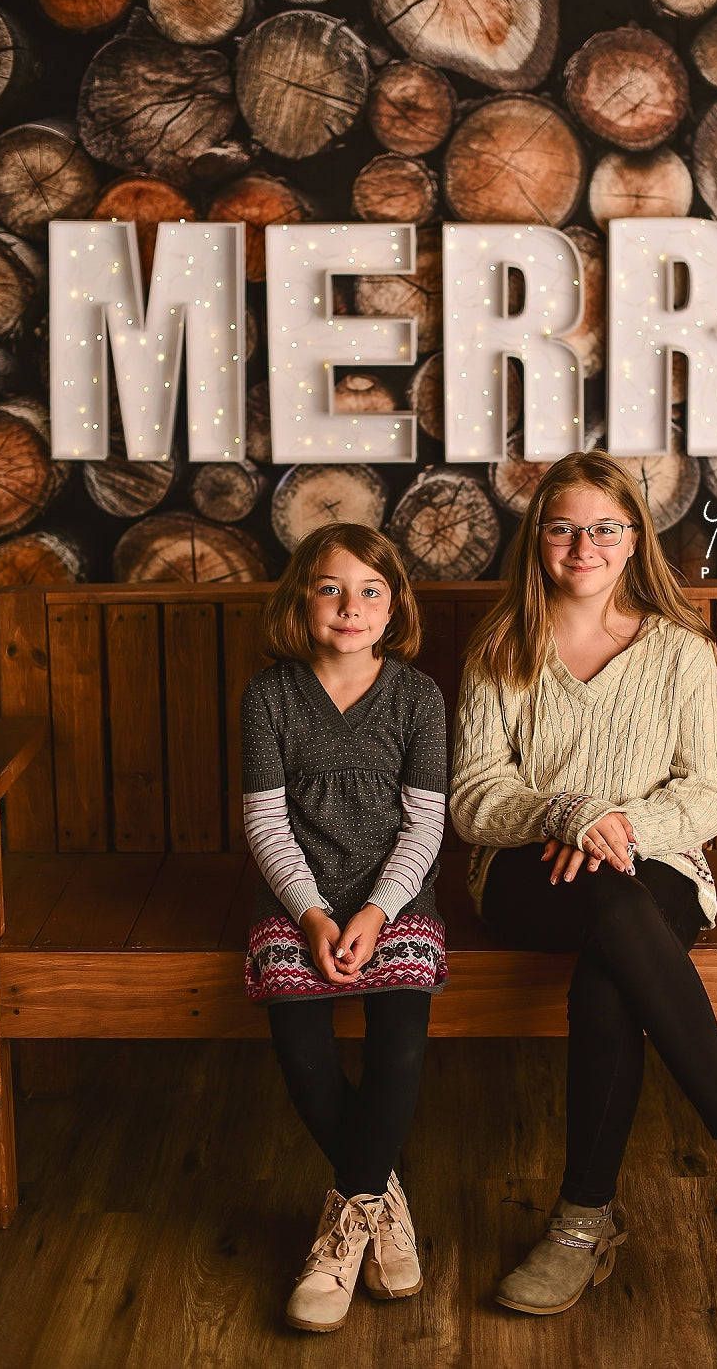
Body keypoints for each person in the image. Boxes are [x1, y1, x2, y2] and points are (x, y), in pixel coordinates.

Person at [450, 450, 717, 1316]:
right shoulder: (502, 646)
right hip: (522, 872)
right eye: (561, 528)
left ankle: (581, 1224)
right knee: (614, 914)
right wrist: (566, 816)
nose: (581, 546)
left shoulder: (678, 651)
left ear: (633, 541)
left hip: (654, 866)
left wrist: (619, 831)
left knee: (613, 956)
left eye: (603, 529)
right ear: (536, 539)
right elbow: (475, 797)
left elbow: (706, 793)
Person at [242, 522, 447, 1333]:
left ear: (393, 606)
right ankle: (378, 1201)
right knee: (304, 1053)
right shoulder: (269, 696)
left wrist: (371, 911)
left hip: (394, 900)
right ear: (302, 600)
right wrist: (314, 913)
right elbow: (264, 823)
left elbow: (425, 825)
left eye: (369, 590)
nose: (350, 606)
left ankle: (339, 1233)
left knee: (397, 1046)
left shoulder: (417, 695)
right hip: (295, 901)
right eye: (330, 588)